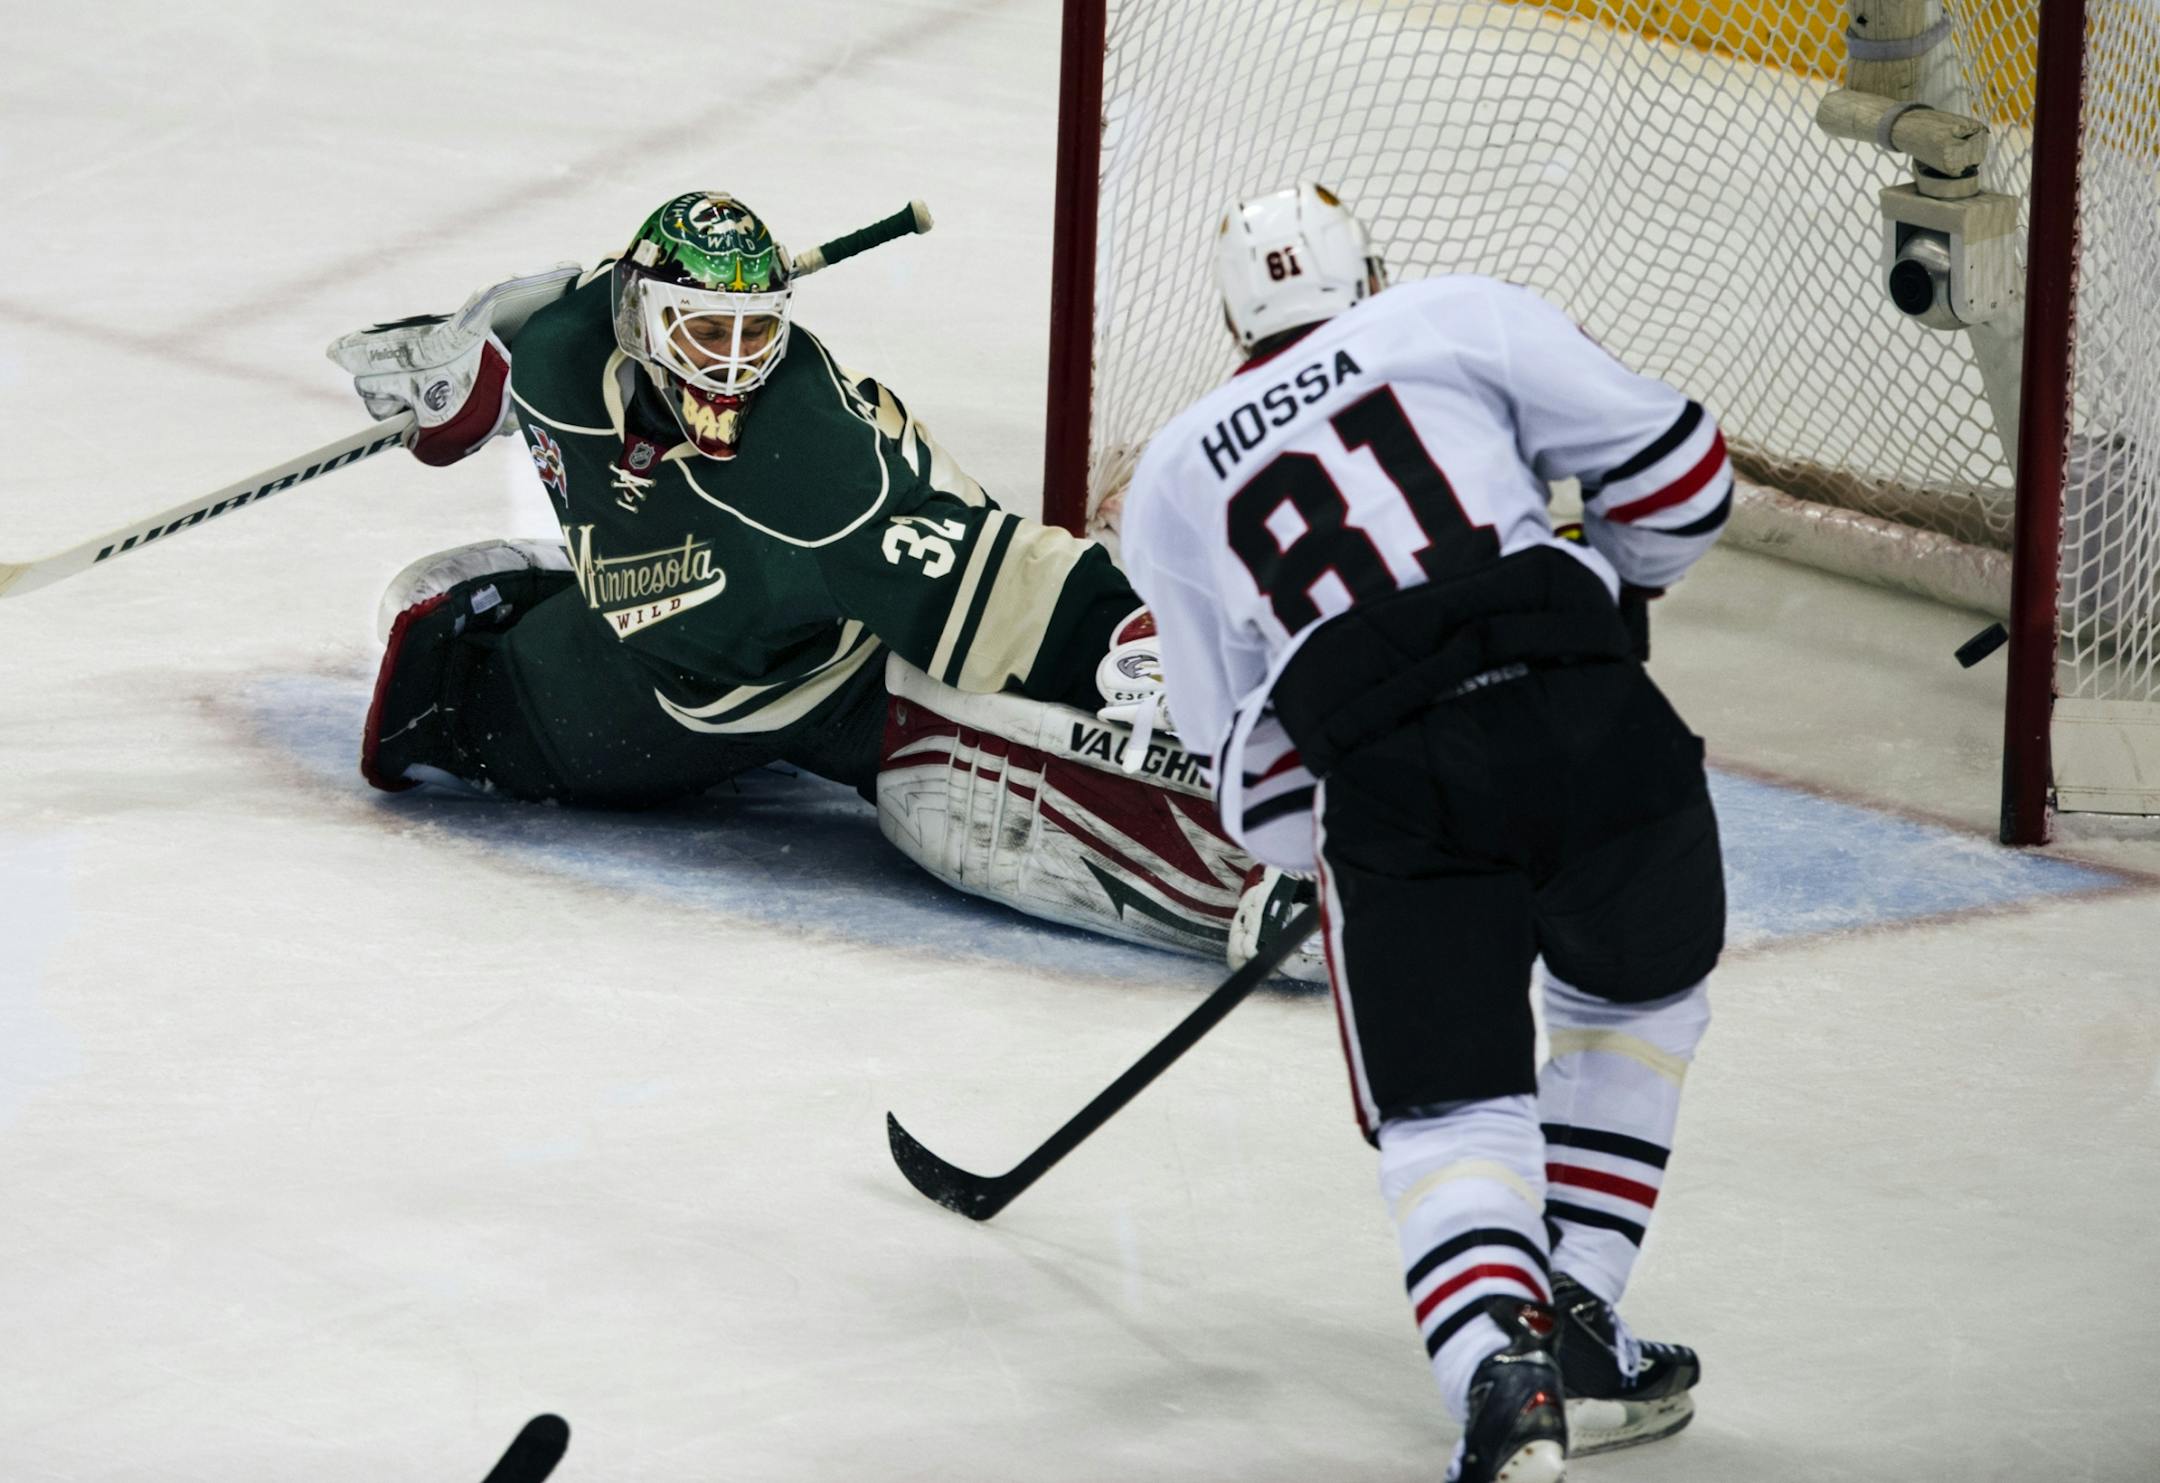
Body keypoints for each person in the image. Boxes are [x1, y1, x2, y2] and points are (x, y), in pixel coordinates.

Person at [1117, 182, 1728, 1483]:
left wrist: (1335, 839)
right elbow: (1685, 472)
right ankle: (1581, 1312)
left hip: (1397, 778)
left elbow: (1257, 783)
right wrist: (1612, 592)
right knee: (1638, 1000)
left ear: (1234, 324)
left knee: (1454, 1113)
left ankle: (1503, 1373)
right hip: (1596, 715)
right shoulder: (1464, 318)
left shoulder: (1172, 474)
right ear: (1370, 275)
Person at [325, 191, 1319, 974]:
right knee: (457, 710)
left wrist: (1121, 635)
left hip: (839, 660)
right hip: (664, 656)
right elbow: (497, 351)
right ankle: (572, 614)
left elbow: (995, 576)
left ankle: (1273, 855)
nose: (732, 367)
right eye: (706, 333)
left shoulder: (809, 462)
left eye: (754, 335)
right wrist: (453, 381)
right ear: (637, 316)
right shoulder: (563, 350)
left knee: (940, 754)